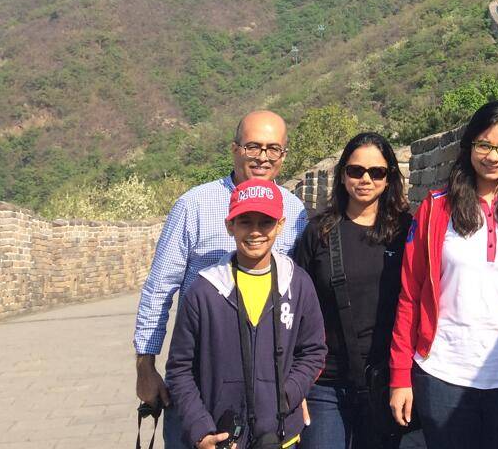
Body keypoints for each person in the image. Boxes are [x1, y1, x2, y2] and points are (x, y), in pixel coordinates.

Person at [134, 110, 309, 447]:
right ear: (234, 149)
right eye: (253, 146)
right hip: (201, 379)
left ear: (284, 155)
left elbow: (299, 306)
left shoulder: (295, 212)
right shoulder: (194, 205)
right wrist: (145, 365)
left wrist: (294, 387)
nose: (263, 157)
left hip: (268, 384)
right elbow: (159, 288)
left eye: (274, 149)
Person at [388, 101, 498, 449]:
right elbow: (410, 295)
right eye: (484, 145)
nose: (493, 156)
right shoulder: (436, 210)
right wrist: (400, 375)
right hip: (443, 373)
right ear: (469, 147)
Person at [166, 179, 328, 448]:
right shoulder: (204, 292)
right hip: (222, 436)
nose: (255, 232)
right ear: (230, 226)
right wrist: (200, 427)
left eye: (265, 222)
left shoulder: (297, 284)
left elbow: (313, 351)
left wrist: (286, 396)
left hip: (282, 435)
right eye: (245, 222)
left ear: (280, 225)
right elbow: (179, 369)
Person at [293, 132, 413, 449]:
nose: (365, 179)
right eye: (356, 170)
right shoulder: (319, 232)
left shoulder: (404, 232)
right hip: (324, 382)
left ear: (389, 179)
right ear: (343, 174)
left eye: (377, 172)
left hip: (382, 380)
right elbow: (293, 307)